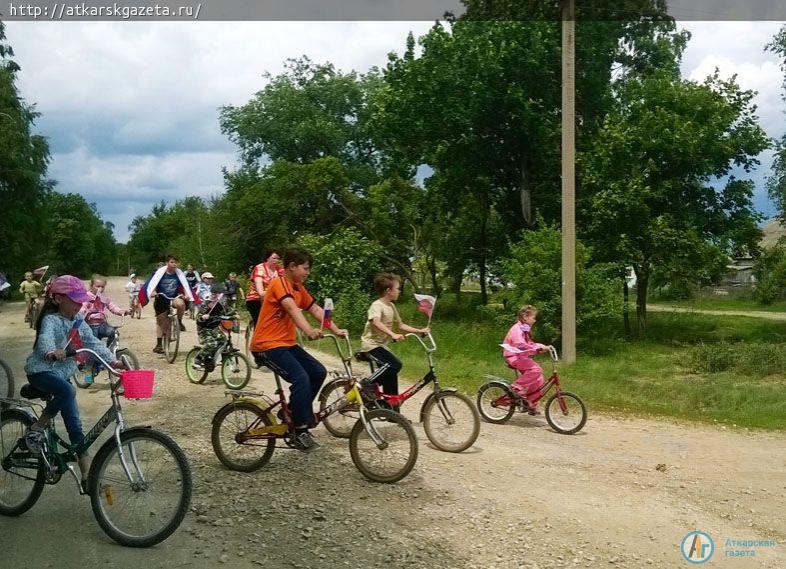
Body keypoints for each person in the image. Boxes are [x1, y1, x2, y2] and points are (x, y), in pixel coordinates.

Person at [23, 275, 121, 490]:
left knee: (75, 425)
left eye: (80, 300)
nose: (79, 304)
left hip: (61, 374)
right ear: (58, 299)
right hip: (41, 371)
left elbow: (92, 342)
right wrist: (51, 352)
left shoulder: (78, 321)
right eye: (74, 300)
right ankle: (37, 427)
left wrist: (113, 360)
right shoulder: (50, 319)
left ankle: (87, 475)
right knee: (68, 391)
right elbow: (45, 339)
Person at [249, 247, 347, 452]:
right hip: (266, 346)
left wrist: (336, 330)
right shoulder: (279, 283)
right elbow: (293, 309)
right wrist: (310, 331)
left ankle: (292, 413)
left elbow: (316, 309)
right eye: (305, 268)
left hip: (285, 344)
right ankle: (300, 430)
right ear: (291, 267)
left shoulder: (298, 287)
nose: (307, 272)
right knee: (301, 377)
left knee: (318, 371)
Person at [359, 273, 430, 408]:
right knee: (395, 365)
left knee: (391, 375)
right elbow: (376, 322)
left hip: (381, 346)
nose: (399, 291)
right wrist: (392, 334)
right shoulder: (377, 305)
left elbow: (401, 325)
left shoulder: (391, 306)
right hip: (370, 346)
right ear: (388, 291)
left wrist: (420, 330)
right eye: (397, 288)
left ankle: (391, 410)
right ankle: (367, 383)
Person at [79, 275, 130, 384]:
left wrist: (121, 311)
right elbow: (82, 308)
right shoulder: (87, 297)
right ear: (91, 286)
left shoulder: (103, 297)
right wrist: (83, 312)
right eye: (97, 286)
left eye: (102, 287)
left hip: (102, 324)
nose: (100, 289)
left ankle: (108, 354)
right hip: (90, 325)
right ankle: (88, 372)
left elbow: (112, 306)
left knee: (112, 331)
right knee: (92, 350)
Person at [140, 255, 195, 354]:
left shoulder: (179, 274)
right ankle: (159, 343)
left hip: (174, 297)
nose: (174, 264)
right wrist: (153, 292)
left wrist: (187, 295)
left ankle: (179, 321)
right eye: (172, 262)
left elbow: (185, 285)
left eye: (176, 262)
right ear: (167, 263)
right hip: (161, 297)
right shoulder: (159, 274)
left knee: (181, 304)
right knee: (161, 321)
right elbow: (153, 284)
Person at [502, 305, 548, 415]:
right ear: (525, 317)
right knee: (536, 370)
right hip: (513, 356)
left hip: (521, 356)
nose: (535, 320)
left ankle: (529, 403)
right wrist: (536, 350)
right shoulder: (517, 329)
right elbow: (520, 345)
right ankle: (516, 388)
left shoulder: (525, 328)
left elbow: (529, 344)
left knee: (539, 379)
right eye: (533, 317)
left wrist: (542, 346)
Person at [192, 284, 231, 370]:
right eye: (222, 295)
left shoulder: (221, 305)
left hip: (214, 328)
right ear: (215, 294)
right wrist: (203, 317)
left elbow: (228, 312)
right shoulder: (207, 303)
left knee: (223, 340)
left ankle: (224, 359)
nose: (223, 297)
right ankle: (198, 358)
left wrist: (235, 315)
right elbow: (199, 317)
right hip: (204, 329)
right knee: (211, 343)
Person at [245, 250, 284, 328]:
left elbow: (286, 283)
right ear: (267, 258)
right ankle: (258, 337)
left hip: (271, 299)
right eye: (274, 258)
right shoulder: (260, 268)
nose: (276, 261)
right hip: (256, 299)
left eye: (278, 259)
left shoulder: (280, 270)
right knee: (260, 323)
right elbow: (260, 291)